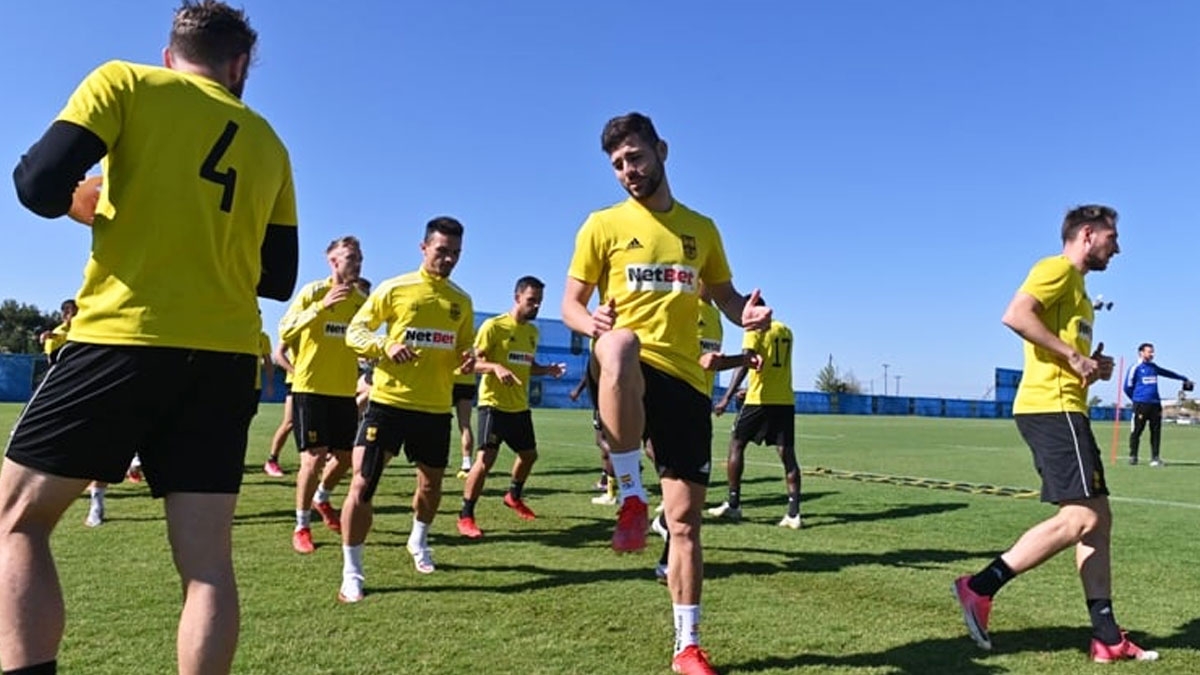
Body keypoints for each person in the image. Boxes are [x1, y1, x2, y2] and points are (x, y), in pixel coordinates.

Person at [3, 2, 297, 672]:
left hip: (122, 337)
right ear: (239, 66)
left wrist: (87, 204)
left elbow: (38, 184)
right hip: (225, 359)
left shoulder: (127, 82)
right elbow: (278, 276)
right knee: (207, 567)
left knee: (19, 520)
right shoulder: (270, 143)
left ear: (170, 56)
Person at [561, 112, 772, 675]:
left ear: (662, 150)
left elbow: (725, 296)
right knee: (622, 343)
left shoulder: (701, 229)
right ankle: (631, 493)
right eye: (617, 164)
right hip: (625, 363)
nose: (628, 170)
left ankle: (687, 646)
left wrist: (746, 314)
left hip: (686, 381)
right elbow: (571, 305)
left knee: (684, 523)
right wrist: (590, 323)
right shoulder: (601, 225)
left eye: (635, 157)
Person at [953, 205, 1158, 663]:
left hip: (1067, 408)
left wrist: (1092, 365)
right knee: (1082, 518)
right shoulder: (1057, 269)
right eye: (1112, 238)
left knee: (1099, 521)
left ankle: (1106, 637)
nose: (1118, 248)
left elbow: (1066, 357)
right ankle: (979, 587)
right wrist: (1072, 354)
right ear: (1087, 234)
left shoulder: (1080, 292)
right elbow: (1016, 314)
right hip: (1052, 409)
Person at [339, 217, 475, 601]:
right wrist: (385, 345)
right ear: (423, 248)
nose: (448, 259)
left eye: (455, 253)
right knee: (363, 485)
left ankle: (418, 540)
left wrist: (467, 359)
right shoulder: (395, 288)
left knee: (431, 487)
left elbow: (463, 349)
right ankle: (352, 572)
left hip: (434, 410)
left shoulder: (461, 301)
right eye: (442, 251)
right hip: (389, 405)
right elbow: (355, 332)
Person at [654, 290, 762, 583]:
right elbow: (701, 361)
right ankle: (666, 554)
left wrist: (742, 359)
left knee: (686, 491)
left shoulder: (714, 315)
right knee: (682, 486)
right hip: (673, 400)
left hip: (698, 405)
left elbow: (709, 362)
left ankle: (665, 531)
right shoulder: (683, 307)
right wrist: (738, 359)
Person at [457, 276, 566, 539]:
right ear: (517, 298)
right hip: (493, 406)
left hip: (519, 407)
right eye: (531, 300)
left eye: (539, 301)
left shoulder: (532, 332)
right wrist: (495, 366)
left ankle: (513, 496)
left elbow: (528, 366)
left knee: (529, 455)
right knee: (485, 461)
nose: (536, 306)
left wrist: (547, 370)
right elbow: (472, 364)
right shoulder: (493, 327)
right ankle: (466, 515)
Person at [278, 236, 366, 553]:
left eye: (360, 258)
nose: (357, 263)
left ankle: (322, 498)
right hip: (311, 389)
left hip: (343, 392)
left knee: (345, 458)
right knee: (313, 460)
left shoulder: (360, 302)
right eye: (351, 257)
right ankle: (302, 526)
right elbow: (285, 330)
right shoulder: (313, 292)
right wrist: (320, 307)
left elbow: (365, 339)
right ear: (333, 261)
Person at [710, 314, 800, 529]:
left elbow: (745, 363)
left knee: (736, 444)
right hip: (784, 400)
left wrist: (726, 398)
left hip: (759, 400)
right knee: (787, 455)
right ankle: (794, 514)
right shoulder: (786, 330)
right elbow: (772, 367)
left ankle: (734, 504)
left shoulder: (754, 330)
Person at [1123, 343, 1192, 466]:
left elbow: (1167, 373)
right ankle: (1133, 456)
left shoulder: (1153, 367)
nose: (1152, 354)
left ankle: (1155, 458)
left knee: (1156, 432)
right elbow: (1127, 387)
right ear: (1141, 353)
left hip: (1155, 405)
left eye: (1152, 352)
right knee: (1137, 431)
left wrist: (1183, 378)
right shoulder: (1135, 368)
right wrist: (1136, 400)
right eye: (1149, 351)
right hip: (1141, 405)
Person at [263, 339, 297, 477]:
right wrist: (296, 373)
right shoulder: (297, 328)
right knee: (289, 422)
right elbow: (279, 354)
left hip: (322, 384)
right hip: (298, 383)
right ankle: (272, 460)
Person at [452, 370, 477, 479]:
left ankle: (433, 462)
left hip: (448, 380)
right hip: (467, 381)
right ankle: (467, 464)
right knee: (465, 425)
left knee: (438, 421)